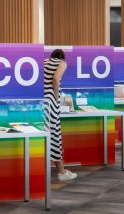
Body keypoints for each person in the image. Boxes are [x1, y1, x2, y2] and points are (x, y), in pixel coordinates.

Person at [44, 49, 78, 181]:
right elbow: (56, 79)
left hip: (41, 101)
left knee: (47, 135)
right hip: (51, 101)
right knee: (55, 135)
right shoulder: (62, 63)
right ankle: (61, 172)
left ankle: (59, 170)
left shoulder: (44, 62)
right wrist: (56, 96)